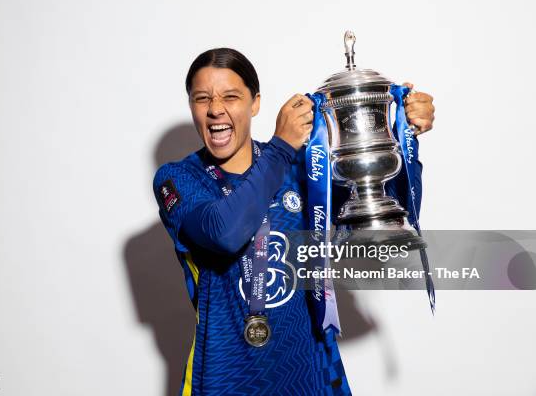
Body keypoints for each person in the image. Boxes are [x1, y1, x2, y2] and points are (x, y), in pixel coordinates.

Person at [152, 48, 435, 396]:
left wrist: (402, 136)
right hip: (227, 378)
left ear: (255, 103)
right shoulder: (179, 179)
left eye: (231, 96)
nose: (215, 109)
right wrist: (281, 147)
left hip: (312, 373)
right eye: (202, 98)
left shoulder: (305, 167)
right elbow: (224, 232)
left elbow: (382, 213)